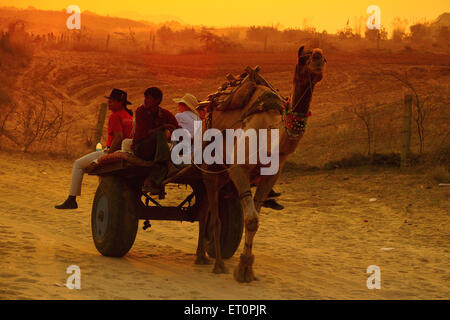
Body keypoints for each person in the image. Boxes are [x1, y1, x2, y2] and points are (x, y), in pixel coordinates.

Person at [55, 89, 133, 209]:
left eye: (112, 101)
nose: (109, 103)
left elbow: (118, 138)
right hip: (125, 151)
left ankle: (72, 199)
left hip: (113, 151)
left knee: (78, 164)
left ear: (120, 102)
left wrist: (107, 156)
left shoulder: (115, 116)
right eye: (109, 100)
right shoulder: (128, 116)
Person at [133, 87, 180, 193]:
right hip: (141, 148)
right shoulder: (140, 111)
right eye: (145, 97)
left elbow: (177, 128)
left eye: (148, 98)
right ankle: (168, 163)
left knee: (161, 162)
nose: (145, 100)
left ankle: (151, 181)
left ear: (157, 100)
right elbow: (144, 134)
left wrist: (177, 132)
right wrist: (164, 127)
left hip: (157, 152)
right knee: (159, 134)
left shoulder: (165, 114)